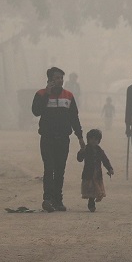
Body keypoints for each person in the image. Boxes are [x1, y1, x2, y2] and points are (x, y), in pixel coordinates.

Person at [32, 67, 85, 212]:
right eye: (56, 78)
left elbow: (74, 118)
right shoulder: (40, 94)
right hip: (47, 138)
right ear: (49, 80)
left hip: (63, 139)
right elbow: (36, 112)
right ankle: (47, 199)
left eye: (61, 78)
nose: (60, 80)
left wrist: (80, 137)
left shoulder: (68, 96)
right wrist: (46, 96)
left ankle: (58, 200)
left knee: (60, 169)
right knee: (49, 168)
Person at [76, 129, 114, 212]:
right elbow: (79, 159)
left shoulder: (99, 150)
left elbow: (105, 160)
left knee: (96, 189)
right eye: (91, 139)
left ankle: (92, 201)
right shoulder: (86, 149)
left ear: (98, 140)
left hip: (97, 174)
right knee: (91, 189)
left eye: (96, 139)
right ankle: (91, 202)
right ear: (88, 139)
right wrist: (81, 151)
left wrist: (110, 168)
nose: (93, 141)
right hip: (88, 174)